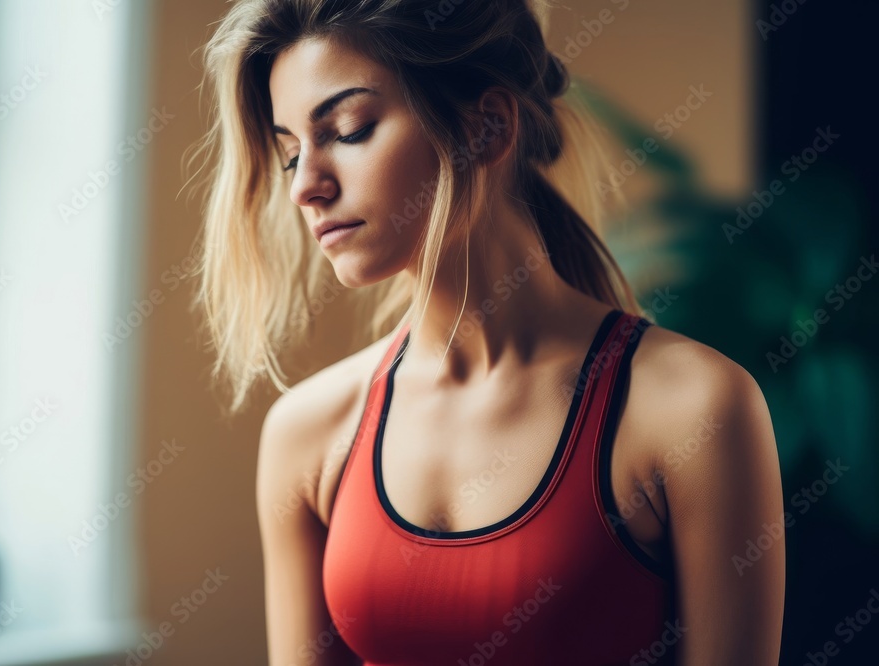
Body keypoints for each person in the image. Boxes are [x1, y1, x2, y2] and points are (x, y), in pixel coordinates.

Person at [191, 1, 785, 663]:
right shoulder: (308, 434)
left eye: (351, 129)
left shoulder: (694, 410)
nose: (305, 186)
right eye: (289, 153)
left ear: (488, 127)